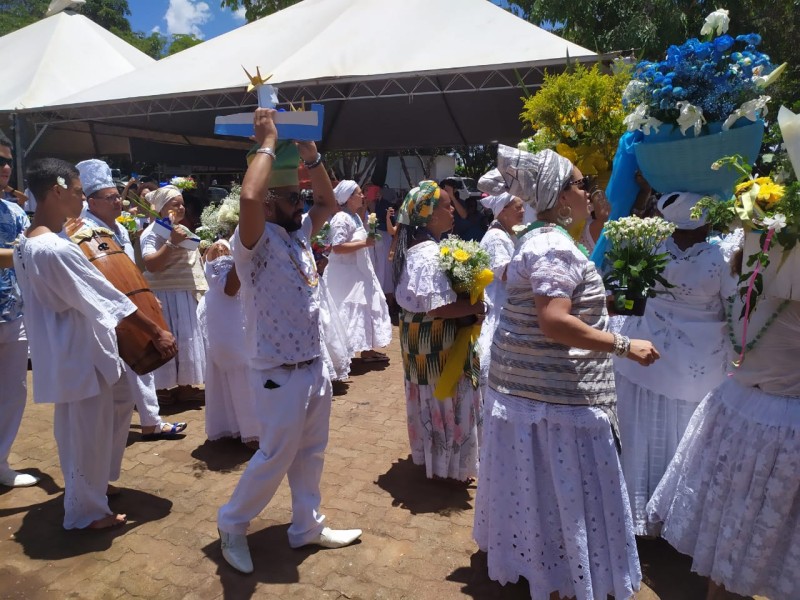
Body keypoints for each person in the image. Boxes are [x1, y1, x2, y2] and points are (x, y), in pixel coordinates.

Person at [473, 145, 660, 600]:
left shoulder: (541, 240)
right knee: (565, 499)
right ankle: (562, 577)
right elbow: (553, 321)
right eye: (579, 184)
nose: (587, 192)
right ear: (559, 196)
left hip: (530, 393)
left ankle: (546, 569)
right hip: (554, 398)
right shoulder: (552, 245)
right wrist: (623, 344)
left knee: (540, 494)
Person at [217, 109, 361, 575]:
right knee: (277, 452)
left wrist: (312, 157)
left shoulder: (298, 232)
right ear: (269, 202)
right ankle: (232, 523)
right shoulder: (251, 241)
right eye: (289, 195)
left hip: (312, 364)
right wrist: (266, 142)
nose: (300, 200)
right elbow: (249, 195)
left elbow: (328, 202)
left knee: (311, 450)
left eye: (298, 193)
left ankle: (307, 526)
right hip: (277, 370)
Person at [14, 158, 176, 529]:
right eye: (75, 192)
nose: (81, 201)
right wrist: (155, 330)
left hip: (72, 348)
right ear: (56, 192)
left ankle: (94, 483)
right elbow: (107, 298)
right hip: (76, 351)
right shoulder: (53, 249)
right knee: (84, 430)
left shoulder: (31, 242)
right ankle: (85, 513)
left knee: (116, 404)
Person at [647, 246, 800, 600]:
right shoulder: (786, 301)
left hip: (738, 412)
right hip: (779, 426)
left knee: (732, 532)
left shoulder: (749, 285)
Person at [613, 191, 731, 536]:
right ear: (706, 219)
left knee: (643, 433)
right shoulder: (721, 257)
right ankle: (674, 517)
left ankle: (635, 509)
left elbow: (630, 296)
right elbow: (737, 309)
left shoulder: (651, 247)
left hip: (644, 356)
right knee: (683, 436)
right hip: (697, 366)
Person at [76, 159, 187, 440]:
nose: (118, 202)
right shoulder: (82, 232)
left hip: (130, 305)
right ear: (91, 202)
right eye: (111, 198)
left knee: (141, 358)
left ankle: (150, 421)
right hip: (103, 310)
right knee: (112, 371)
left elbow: (131, 270)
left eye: (117, 196)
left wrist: (146, 298)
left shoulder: (121, 229)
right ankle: (110, 429)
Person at [393, 181, 484, 482]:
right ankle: (450, 466)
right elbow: (438, 307)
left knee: (430, 399)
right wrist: (475, 309)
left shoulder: (416, 250)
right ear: (430, 216)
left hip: (420, 343)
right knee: (445, 398)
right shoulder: (430, 253)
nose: (452, 209)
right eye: (446, 205)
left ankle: (436, 460)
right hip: (436, 347)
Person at [140, 185, 208, 401]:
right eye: (174, 204)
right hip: (166, 295)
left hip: (183, 293)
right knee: (170, 340)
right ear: (161, 208)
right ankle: (160, 389)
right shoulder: (153, 231)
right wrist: (170, 242)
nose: (180, 207)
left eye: (181, 204)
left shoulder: (179, 229)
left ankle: (185, 386)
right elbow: (150, 264)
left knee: (186, 340)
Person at [0, 133, 39, 488]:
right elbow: (27, 253)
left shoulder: (14, 210)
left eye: (8, 160)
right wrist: (36, 251)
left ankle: (1, 461)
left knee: (13, 390)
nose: (6, 167)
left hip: (14, 314)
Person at [324, 180, 392, 363]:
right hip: (345, 276)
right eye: (359, 193)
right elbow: (337, 247)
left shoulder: (353, 217)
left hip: (359, 271)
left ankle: (367, 349)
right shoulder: (341, 219)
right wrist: (365, 243)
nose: (362, 196)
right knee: (348, 310)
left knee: (365, 307)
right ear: (348, 198)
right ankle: (342, 353)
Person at [199, 239, 259, 446]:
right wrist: (244, 258)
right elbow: (229, 288)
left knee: (243, 371)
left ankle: (237, 425)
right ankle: (252, 431)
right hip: (229, 316)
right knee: (241, 369)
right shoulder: (221, 248)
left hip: (233, 313)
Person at [475, 169, 525, 397]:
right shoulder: (496, 237)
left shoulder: (504, 233)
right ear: (502, 211)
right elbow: (504, 272)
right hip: (498, 304)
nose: (523, 211)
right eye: (518, 208)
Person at [439, 177, 488, 242]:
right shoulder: (439, 202)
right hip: (443, 233)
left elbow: (464, 215)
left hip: (457, 234)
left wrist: (452, 197)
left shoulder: (459, 202)